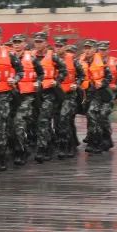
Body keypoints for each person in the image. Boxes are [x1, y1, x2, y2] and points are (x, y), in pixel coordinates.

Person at [0, 26, 22, 171]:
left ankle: (0, 159)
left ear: (0, 39)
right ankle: (10, 150)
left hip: (4, 95)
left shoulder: (9, 54)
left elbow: (21, 70)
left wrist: (15, 79)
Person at [32, 32, 66, 163]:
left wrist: (57, 81)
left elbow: (63, 70)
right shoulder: (31, 56)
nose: (38, 44)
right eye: (36, 42)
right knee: (38, 122)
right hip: (35, 93)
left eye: (40, 42)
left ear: (46, 43)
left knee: (43, 120)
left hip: (49, 93)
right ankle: (51, 143)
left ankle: (43, 149)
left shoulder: (53, 56)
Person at [11, 34, 44, 165]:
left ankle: (21, 151)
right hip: (12, 95)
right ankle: (17, 147)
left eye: (19, 42)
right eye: (15, 42)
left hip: (27, 95)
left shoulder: (32, 58)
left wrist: (38, 82)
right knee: (10, 125)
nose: (17, 44)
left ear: (25, 44)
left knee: (19, 123)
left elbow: (41, 73)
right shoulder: (9, 57)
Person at [82, 40, 113, 154]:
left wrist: (103, 83)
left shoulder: (101, 62)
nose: (87, 50)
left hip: (99, 94)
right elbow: (79, 75)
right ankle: (102, 140)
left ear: (95, 49)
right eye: (85, 48)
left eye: (89, 48)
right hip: (87, 95)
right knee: (92, 118)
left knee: (94, 115)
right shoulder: (81, 62)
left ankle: (97, 142)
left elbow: (109, 77)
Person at [56, 42, 85, 158]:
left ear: (65, 47)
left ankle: (68, 146)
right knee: (59, 121)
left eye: (60, 46)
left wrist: (76, 84)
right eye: (56, 46)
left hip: (70, 94)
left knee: (65, 119)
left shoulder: (72, 60)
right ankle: (66, 144)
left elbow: (82, 75)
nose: (58, 48)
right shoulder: (52, 60)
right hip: (57, 94)